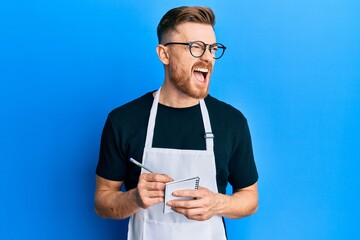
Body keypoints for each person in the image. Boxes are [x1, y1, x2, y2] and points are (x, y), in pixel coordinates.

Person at [95, 6, 259, 240]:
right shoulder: (124, 120)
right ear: (164, 54)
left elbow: (250, 198)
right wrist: (133, 198)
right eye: (196, 47)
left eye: (212, 48)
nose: (208, 57)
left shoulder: (231, 121)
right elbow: (102, 201)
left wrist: (217, 203)